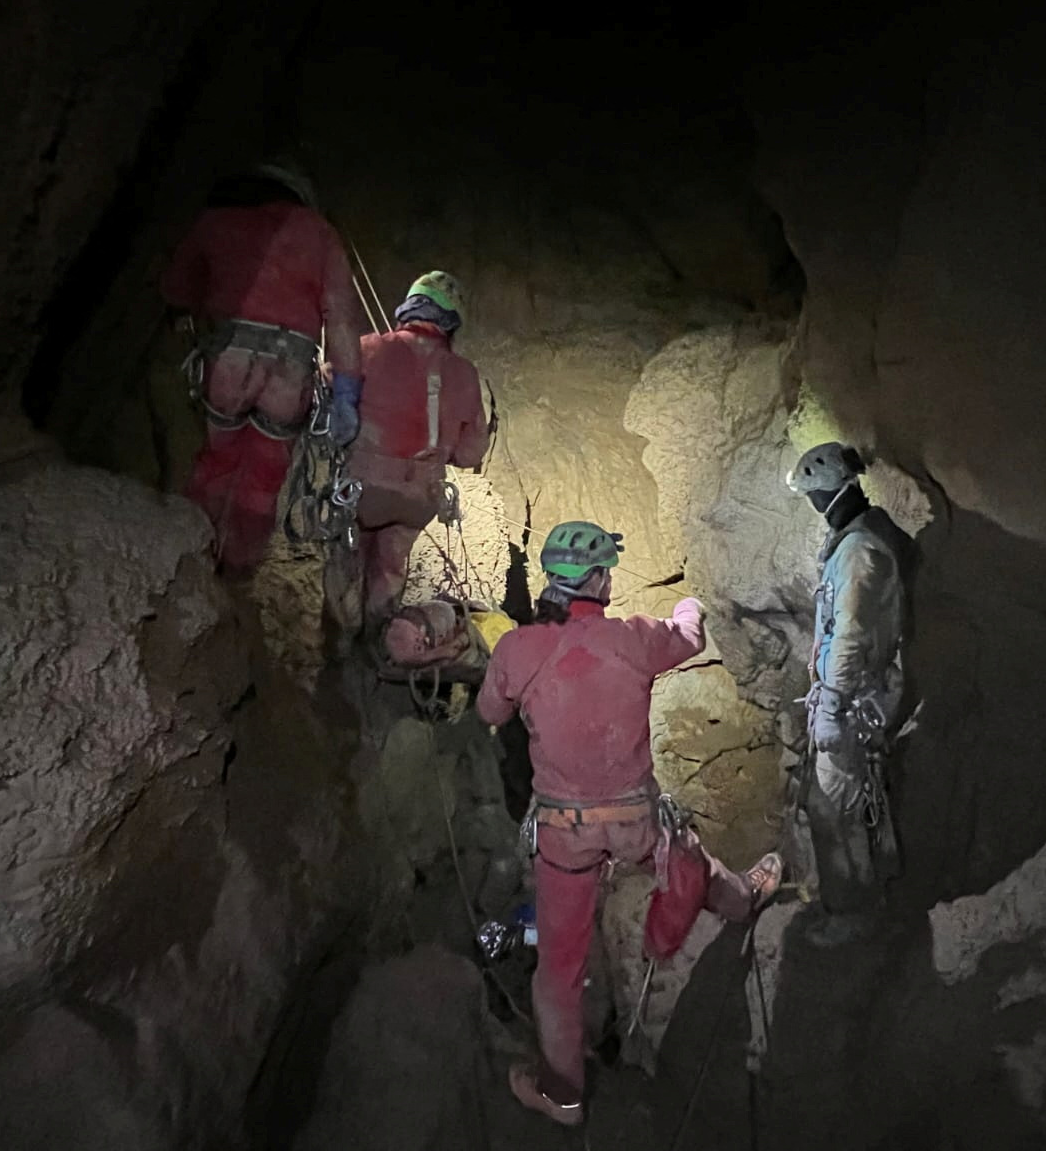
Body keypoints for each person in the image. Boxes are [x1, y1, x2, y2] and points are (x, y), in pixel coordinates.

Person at [477, 521, 782, 1127]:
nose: (613, 578)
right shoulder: (633, 638)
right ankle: (743, 899)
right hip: (634, 819)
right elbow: (687, 636)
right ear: (594, 579)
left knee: (559, 968)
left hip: (564, 832)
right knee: (690, 861)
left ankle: (563, 1096)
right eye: (608, 571)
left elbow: (490, 711)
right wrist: (690, 603)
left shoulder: (518, 649)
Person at [161, 159, 366, 574]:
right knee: (266, 475)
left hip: (229, 359)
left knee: (216, 462)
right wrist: (346, 394)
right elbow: (342, 321)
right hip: (290, 372)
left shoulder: (213, 221)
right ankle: (236, 575)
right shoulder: (319, 233)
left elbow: (176, 290)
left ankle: (191, 564)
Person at [786, 441, 912, 945]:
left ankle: (852, 915)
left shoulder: (859, 553)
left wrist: (833, 705)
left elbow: (852, 632)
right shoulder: (861, 535)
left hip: (857, 696)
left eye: (812, 495)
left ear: (823, 493)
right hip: (857, 690)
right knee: (858, 795)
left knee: (829, 807)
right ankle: (878, 886)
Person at [344, 270, 487, 632]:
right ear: (451, 323)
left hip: (363, 490)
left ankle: (340, 645)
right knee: (391, 567)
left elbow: (327, 400)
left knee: (349, 561)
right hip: (419, 497)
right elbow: (471, 455)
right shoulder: (465, 373)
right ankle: (380, 641)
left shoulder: (368, 348)